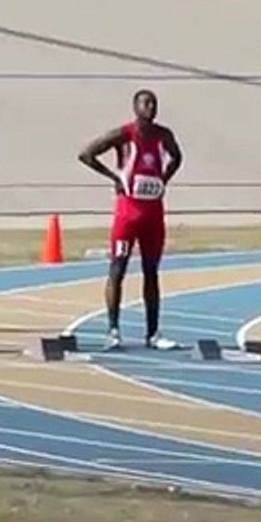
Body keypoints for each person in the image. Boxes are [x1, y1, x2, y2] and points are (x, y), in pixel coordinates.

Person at [78, 89, 183, 352]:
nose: (150, 107)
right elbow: (86, 154)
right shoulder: (123, 134)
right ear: (135, 107)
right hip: (128, 213)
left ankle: (153, 333)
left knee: (151, 272)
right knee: (118, 269)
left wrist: (163, 179)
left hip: (153, 214)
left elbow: (177, 157)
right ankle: (113, 331)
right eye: (145, 103)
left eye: (154, 103)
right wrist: (115, 178)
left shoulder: (163, 135)